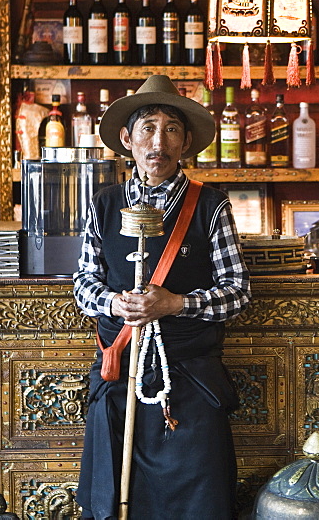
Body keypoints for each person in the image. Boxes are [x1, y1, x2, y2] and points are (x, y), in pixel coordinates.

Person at [73, 74, 251, 520]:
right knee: (114, 498)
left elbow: (237, 292)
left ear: (186, 141)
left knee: (198, 505)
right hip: (121, 377)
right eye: (147, 128)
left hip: (190, 381)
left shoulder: (210, 206)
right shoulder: (104, 203)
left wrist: (176, 303)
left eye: (171, 129)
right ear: (126, 138)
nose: (159, 141)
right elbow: (83, 284)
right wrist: (116, 303)